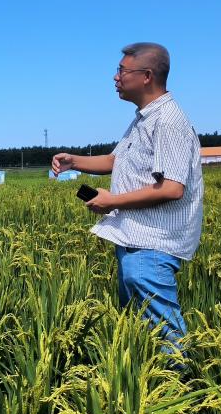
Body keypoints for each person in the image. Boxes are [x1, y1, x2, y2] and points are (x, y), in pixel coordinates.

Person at [51, 42, 203, 354]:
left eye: (122, 71)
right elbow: (115, 160)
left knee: (165, 337)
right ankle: (143, 377)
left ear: (147, 76)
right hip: (135, 241)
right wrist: (73, 161)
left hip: (153, 245)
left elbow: (172, 188)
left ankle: (180, 381)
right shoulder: (143, 119)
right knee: (139, 331)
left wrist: (112, 202)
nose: (115, 77)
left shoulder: (167, 121)